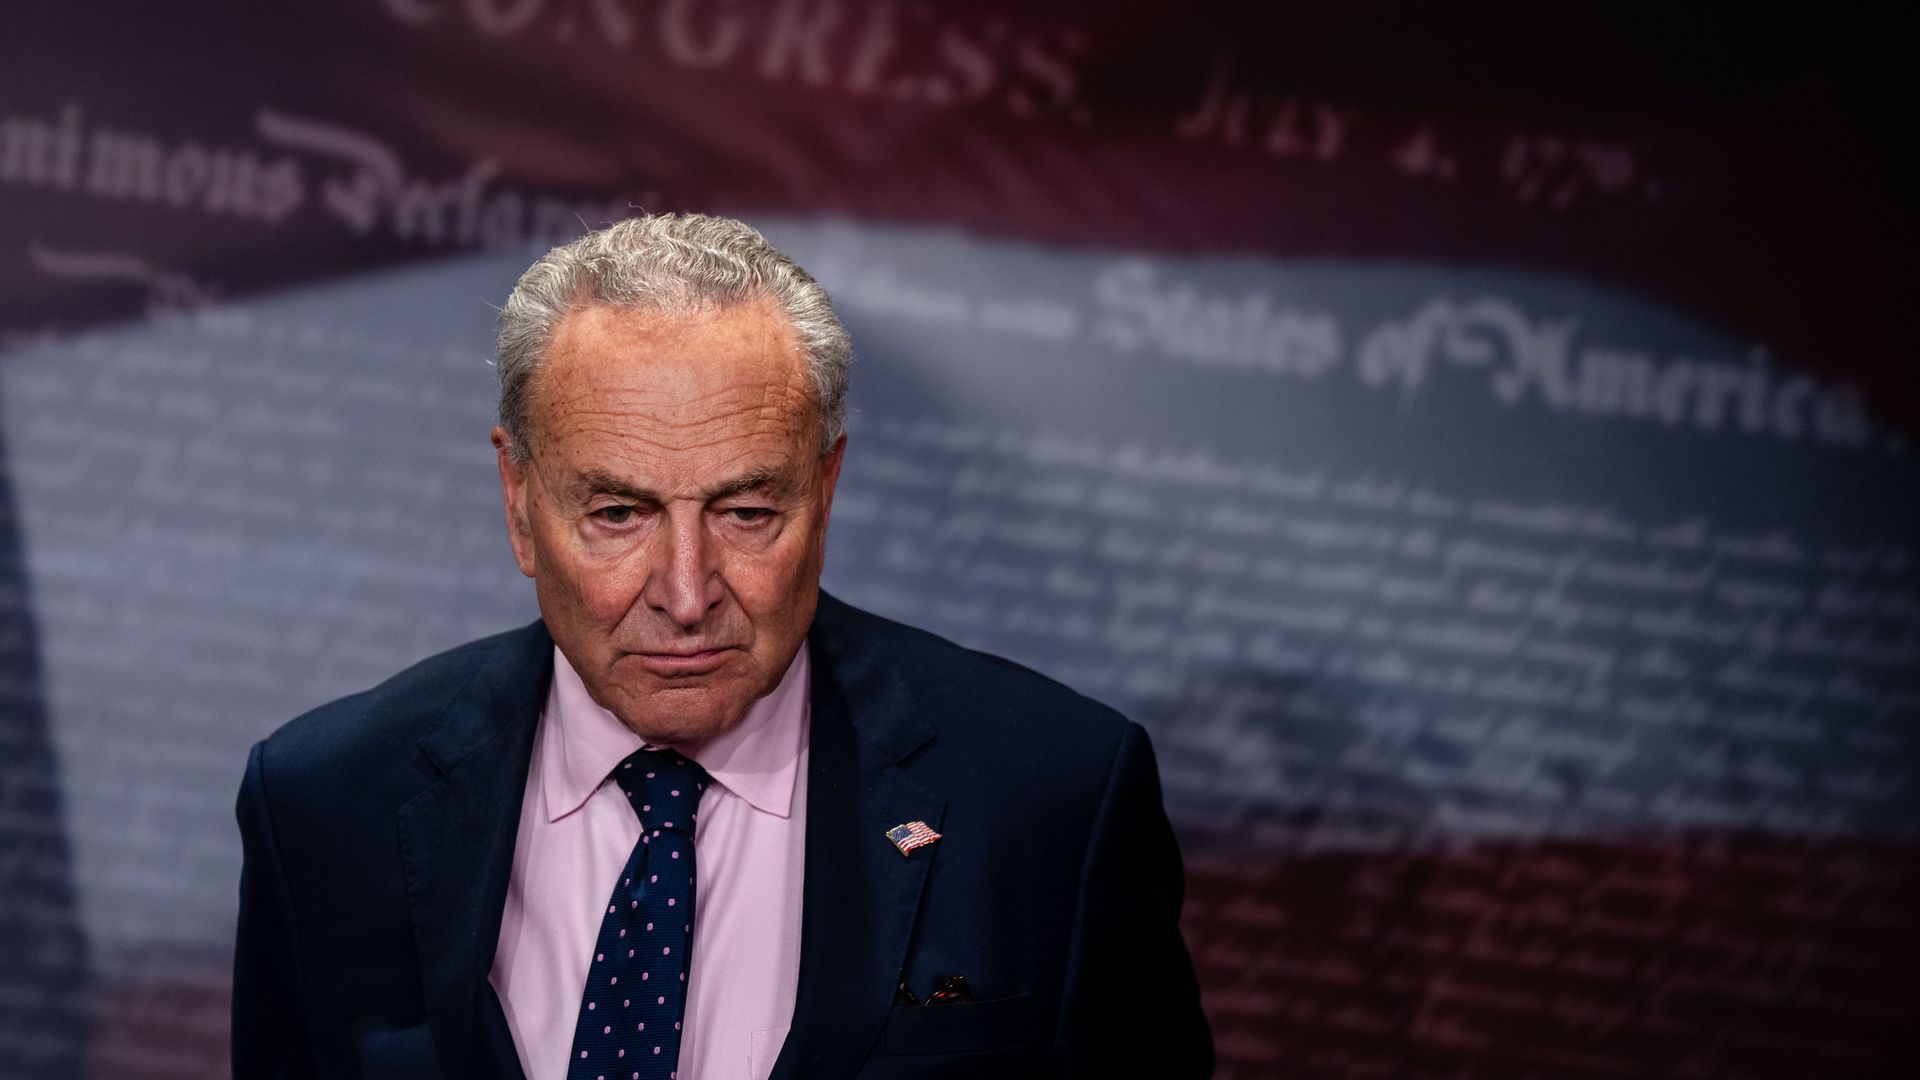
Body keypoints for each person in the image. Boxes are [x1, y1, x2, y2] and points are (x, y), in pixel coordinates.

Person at [232, 213, 1211, 1079]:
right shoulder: (325, 804)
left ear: (825, 495)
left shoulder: (1054, 798)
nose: (689, 593)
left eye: (747, 512)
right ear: (520, 504)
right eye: (619, 514)